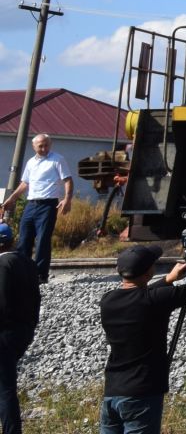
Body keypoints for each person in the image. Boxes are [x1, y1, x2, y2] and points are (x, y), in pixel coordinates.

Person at [100, 225, 186, 434]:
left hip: (112, 392)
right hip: (142, 393)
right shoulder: (154, 300)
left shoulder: (108, 301)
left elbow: (140, 295)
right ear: (148, 272)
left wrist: (168, 279)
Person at [2, 135, 74, 283]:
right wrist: (12, 198)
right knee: (24, 238)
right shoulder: (30, 162)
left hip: (48, 204)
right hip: (31, 204)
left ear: (50, 145)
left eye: (46, 145)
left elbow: (68, 180)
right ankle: (22, 271)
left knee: (42, 239)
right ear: (34, 146)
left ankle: (40, 275)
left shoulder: (57, 159)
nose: (44, 148)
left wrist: (67, 199)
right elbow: (24, 184)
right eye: (40, 146)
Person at [0, 223, 40, 434]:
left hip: (4, 333)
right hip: (23, 331)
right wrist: (31, 327)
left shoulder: (3, 264)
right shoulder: (27, 262)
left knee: (5, 388)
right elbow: (36, 300)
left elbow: (2, 301)